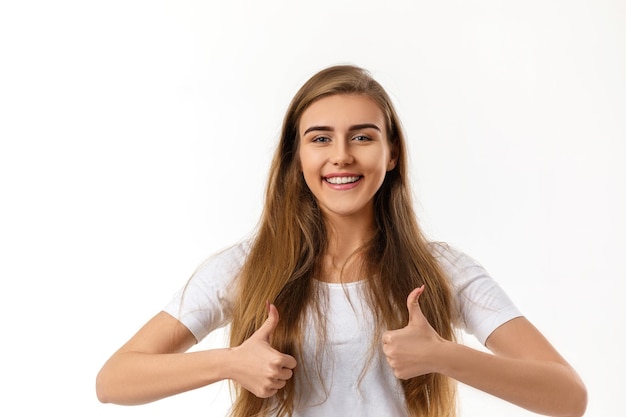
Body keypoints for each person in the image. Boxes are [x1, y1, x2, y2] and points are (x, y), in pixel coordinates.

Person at [96, 65, 587, 417]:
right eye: (321, 138)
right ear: (297, 156)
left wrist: (443, 355)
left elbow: (569, 397)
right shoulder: (243, 268)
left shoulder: (444, 270)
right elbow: (114, 381)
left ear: (391, 153)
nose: (342, 156)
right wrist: (229, 363)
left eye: (363, 136)